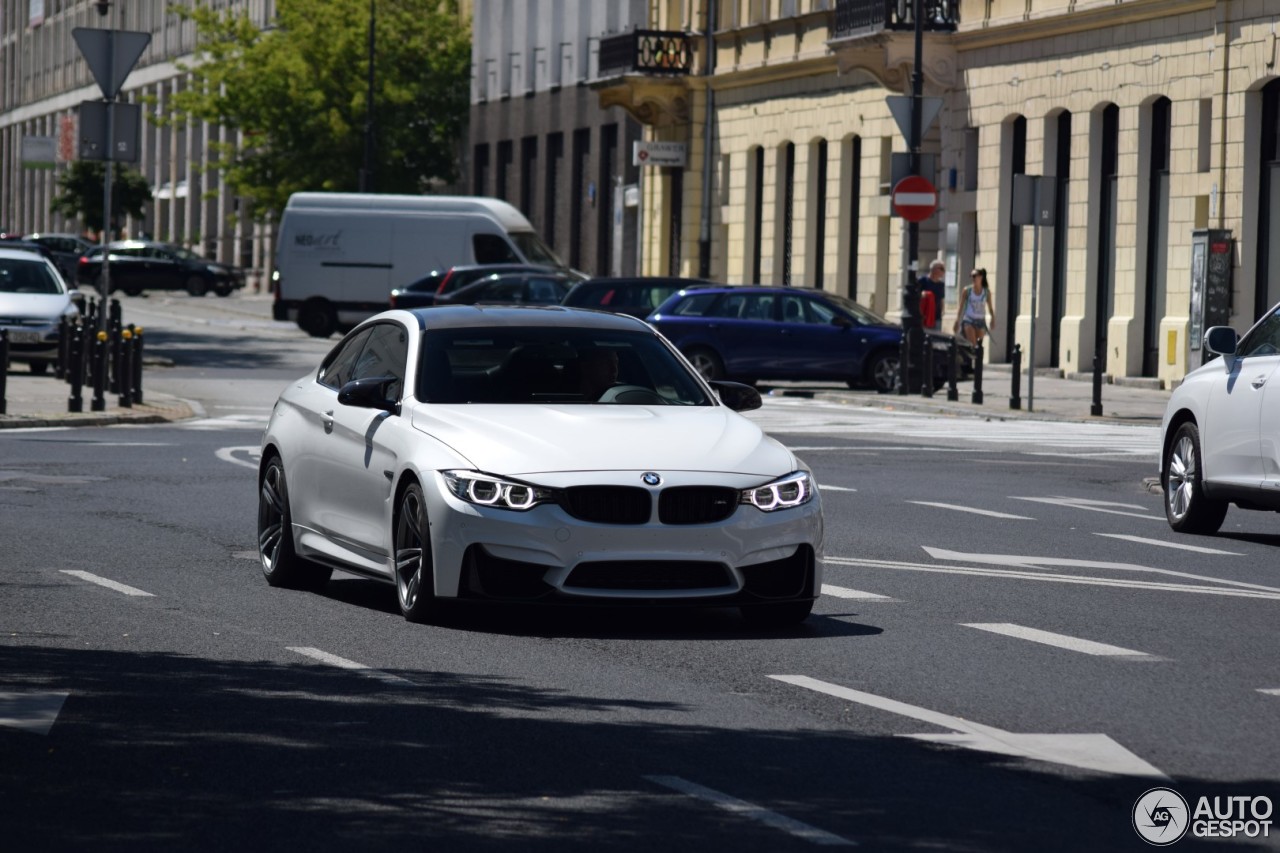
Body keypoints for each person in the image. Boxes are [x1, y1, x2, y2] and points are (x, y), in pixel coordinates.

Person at [953, 267, 996, 346]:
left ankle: (976, 358)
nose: (973, 278)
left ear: (981, 277)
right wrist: (957, 321)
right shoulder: (967, 290)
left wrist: (993, 319)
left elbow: (990, 308)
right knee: (973, 344)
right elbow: (961, 306)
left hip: (981, 321)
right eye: (971, 276)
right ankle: (973, 357)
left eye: (974, 276)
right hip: (969, 320)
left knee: (978, 346)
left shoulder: (986, 292)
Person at [918, 259, 946, 330]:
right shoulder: (922, 280)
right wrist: (922, 294)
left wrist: (943, 311)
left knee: (936, 338)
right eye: (942, 269)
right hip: (924, 317)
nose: (944, 271)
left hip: (937, 317)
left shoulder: (941, 284)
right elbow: (915, 295)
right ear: (934, 269)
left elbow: (941, 299)